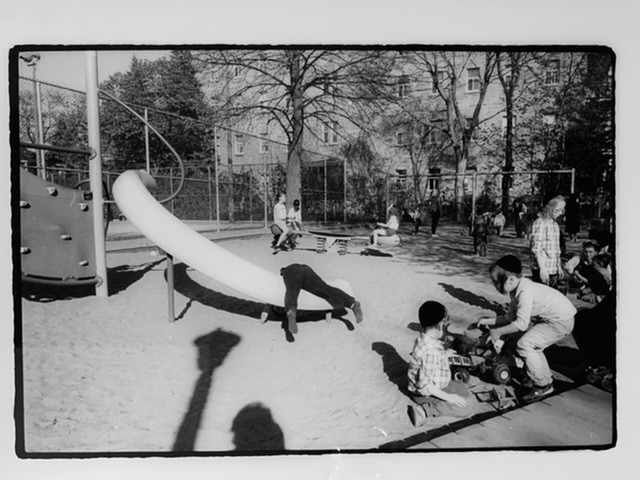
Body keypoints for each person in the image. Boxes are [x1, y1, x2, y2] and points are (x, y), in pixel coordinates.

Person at [478, 255, 576, 401]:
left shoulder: (524, 292)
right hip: (557, 319)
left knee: (525, 345)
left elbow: (521, 324)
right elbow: (510, 317)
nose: (495, 286)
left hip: (561, 321)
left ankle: (542, 385)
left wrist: (497, 331)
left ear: (511, 279)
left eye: (497, 282)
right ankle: (545, 380)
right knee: (533, 346)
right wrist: (489, 321)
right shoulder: (517, 289)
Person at [407, 300, 472, 426]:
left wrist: (444, 354)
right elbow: (425, 386)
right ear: (440, 326)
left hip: (437, 382)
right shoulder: (430, 352)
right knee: (465, 409)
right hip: (424, 393)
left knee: (463, 389)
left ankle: (437, 402)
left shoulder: (424, 339)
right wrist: (449, 397)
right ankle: (424, 411)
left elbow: (429, 359)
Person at [279, 264, 364, 335]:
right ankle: (352, 303)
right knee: (324, 288)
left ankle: (291, 311)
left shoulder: (286, 271)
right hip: (306, 269)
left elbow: (291, 287)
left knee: (292, 290)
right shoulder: (296, 267)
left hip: (293, 273)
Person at [529, 195, 566, 289]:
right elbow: (537, 248)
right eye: (557, 210)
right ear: (549, 208)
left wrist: (558, 266)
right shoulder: (540, 223)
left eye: (561, 210)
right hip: (542, 268)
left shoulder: (555, 224)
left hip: (553, 268)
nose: (560, 213)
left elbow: (556, 249)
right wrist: (542, 268)